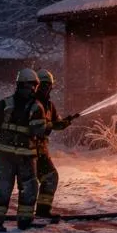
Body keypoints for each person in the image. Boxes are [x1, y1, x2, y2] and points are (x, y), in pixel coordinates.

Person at [0, 68, 48, 232]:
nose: (32, 89)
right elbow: (39, 131)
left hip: (6, 156)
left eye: (34, 86)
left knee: (4, 188)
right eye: (31, 86)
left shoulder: (5, 104)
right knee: (27, 188)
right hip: (25, 157)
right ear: (24, 85)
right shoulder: (36, 107)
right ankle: (23, 222)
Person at [33, 69, 79, 220]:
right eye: (43, 85)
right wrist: (52, 125)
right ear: (36, 85)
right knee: (31, 182)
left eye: (48, 85)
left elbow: (56, 123)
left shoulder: (49, 105)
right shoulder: (30, 104)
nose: (45, 88)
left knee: (50, 177)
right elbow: (37, 126)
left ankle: (42, 211)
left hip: (40, 149)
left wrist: (66, 121)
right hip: (27, 149)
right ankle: (27, 214)